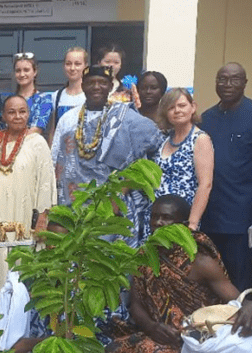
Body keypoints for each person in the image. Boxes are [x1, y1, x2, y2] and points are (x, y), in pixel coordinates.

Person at [102, 194, 252, 353]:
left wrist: (250, 306)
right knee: (110, 352)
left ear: (184, 225)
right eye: (154, 217)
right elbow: (136, 304)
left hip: (195, 341)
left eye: (167, 218)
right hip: (159, 334)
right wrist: (152, 327)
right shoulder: (145, 255)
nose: (159, 223)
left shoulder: (199, 260)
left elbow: (235, 298)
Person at [52, 66, 164, 247]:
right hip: (73, 205)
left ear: (110, 86)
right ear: (83, 85)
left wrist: (118, 195)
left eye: (102, 83)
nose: (96, 87)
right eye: (91, 83)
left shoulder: (127, 118)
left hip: (112, 207)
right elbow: (56, 159)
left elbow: (153, 146)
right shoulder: (69, 118)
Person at [199, 62, 252, 292]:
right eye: (222, 79)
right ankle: (216, 326)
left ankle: (243, 325)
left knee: (240, 276)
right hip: (210, 213)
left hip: (243, 215)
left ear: (245, 83)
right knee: (211, 276)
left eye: (234, 79)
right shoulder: (206, 118)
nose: (227, 84)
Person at [0, 95, 56, 326]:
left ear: (28, 114)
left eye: (22, 111)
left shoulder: (37, 142)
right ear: (3, 116)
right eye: (12, 112)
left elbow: (46, 182)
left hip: (23, 222)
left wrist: (43, 218)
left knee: (19, 274)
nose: (18, 116)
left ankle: (17, 334)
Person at [154, 88, 213, 230]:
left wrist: (192, 223)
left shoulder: (200, 139)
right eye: (171, 107)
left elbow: (205, 184)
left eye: (182, 105)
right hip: (159, 217)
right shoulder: (165, 139)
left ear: (193, 107)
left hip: (182, 219)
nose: (177, 111)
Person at [46, 47, 88, 145]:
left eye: (77, 64)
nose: (72, 68)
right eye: (68, 64)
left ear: (85, 66)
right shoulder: (57, 96)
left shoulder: (89, 95)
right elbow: (53, 130)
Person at [12, 53, 53, 135]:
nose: (22, 74)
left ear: (35, 72)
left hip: (32, 145)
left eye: (26, 70)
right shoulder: (10, 100)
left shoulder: (44, 100)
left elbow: (36, 130)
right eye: (18, 71)